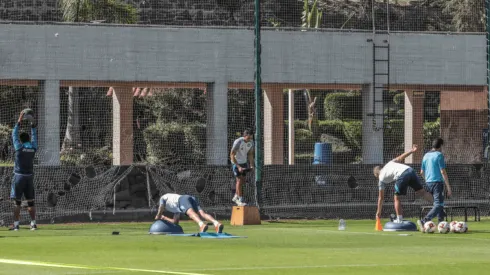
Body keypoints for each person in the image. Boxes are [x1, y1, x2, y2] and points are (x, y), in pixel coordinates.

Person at [373, 145, 433, 223]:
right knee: (422, 192)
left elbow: (381, 198)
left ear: (376, 175)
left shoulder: (380, 178)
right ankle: (437, 205)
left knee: (396, 197)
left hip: (402, 174)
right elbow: (401, 157)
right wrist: (411, 151)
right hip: (410, 170)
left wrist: (378, 212)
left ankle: (399, 219)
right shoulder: (389, 163)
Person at [10, 110, 38, 231]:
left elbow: (14, 134)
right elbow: (35, 136)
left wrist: (19, 120)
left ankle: (16, 225)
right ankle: (33, 224)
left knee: (17, 202)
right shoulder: (33, 147)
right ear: (28, 139)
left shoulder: (19, 147)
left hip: (19, 177)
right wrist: (33, 125)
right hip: (29, 177)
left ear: (21, 140)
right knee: (30, 202)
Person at [418, 138, 452, 231]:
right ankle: (424, 220)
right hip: (437, 183)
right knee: (438, 205)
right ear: (440, 146)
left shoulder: (426, 155)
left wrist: (427, 180)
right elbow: (443, 171)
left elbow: (421, 172)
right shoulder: (439, 155)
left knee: (439, 203)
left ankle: (442, 224)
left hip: (429, 183)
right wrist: (448, 187)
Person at [155, 193, 224, 233]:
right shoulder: (174, 208)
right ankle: (217, 223)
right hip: (189, 197)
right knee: (202, 214)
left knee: (190, 213)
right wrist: (164, 217)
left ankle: (202, 225)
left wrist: (158, 215)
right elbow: (175, 222)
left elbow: (161, 206)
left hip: (182, 199)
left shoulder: (162, 198)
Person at [230, 129, 254, 206]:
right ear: (244, 136)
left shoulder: (251, 143)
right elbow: (232, 155)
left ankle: (235, 196)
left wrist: (251, 165)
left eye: (251, 138)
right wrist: (238, 166)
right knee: (239, 181)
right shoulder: (238, 142)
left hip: (244, 163)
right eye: (248, 138)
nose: (250, 139)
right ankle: (240, 199)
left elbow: (250, 154)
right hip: (236, 163)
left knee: (243, 181)